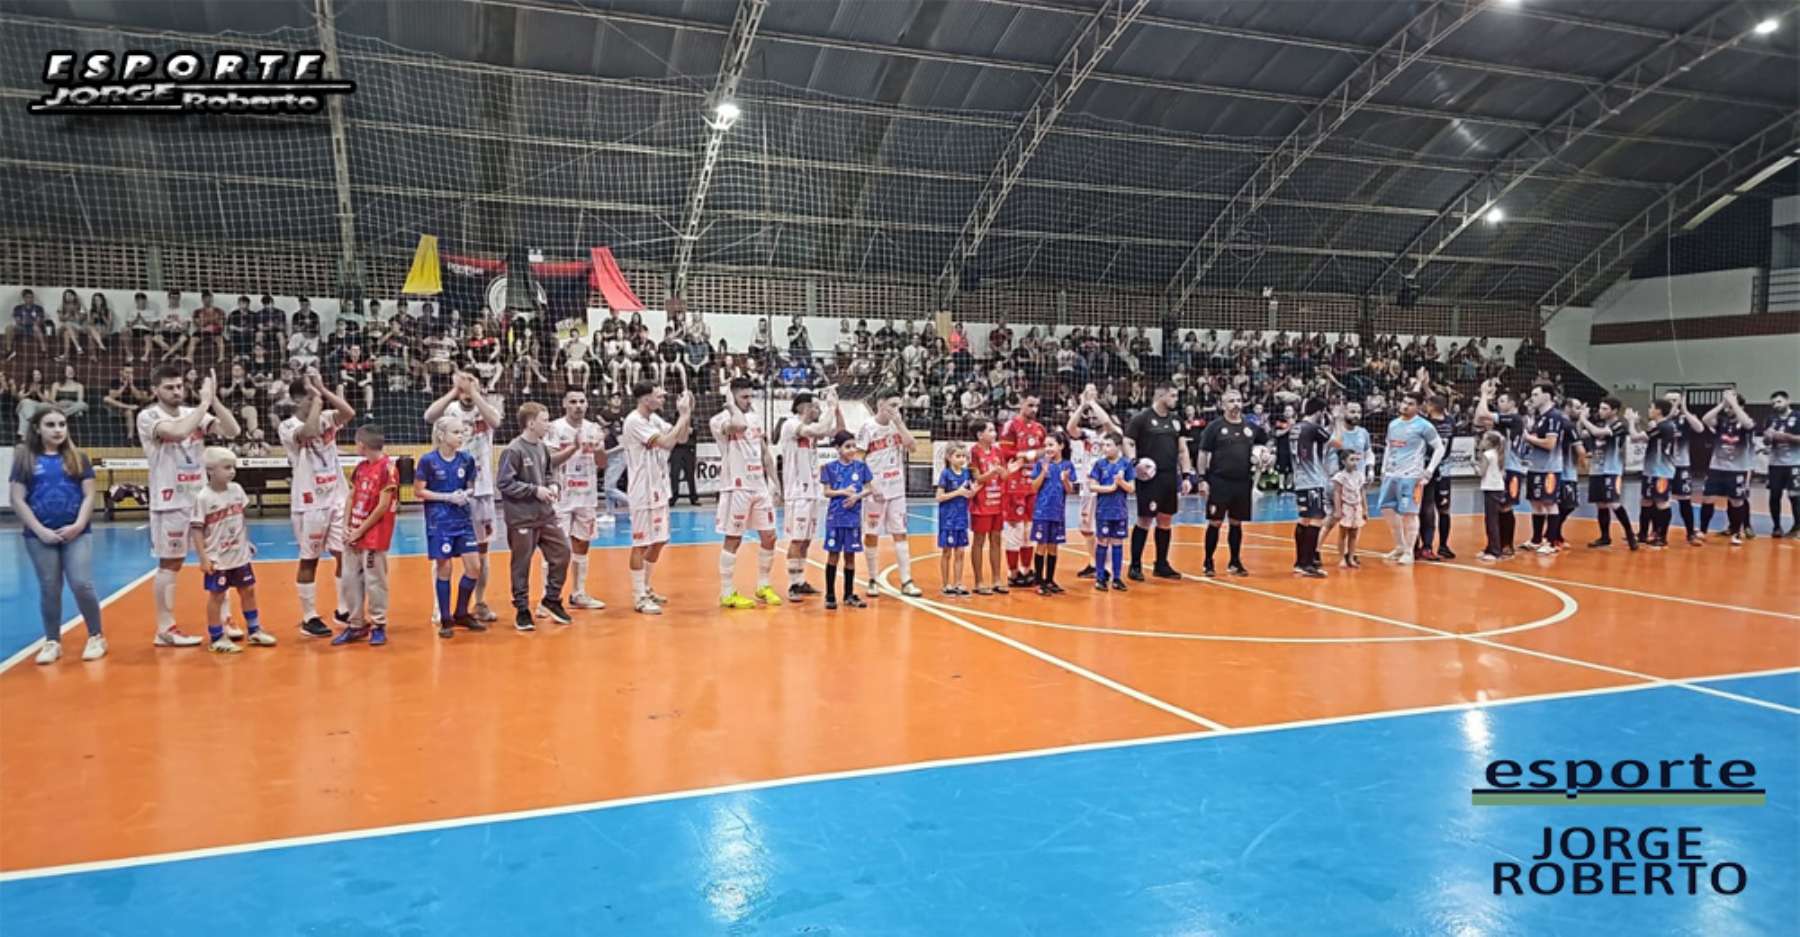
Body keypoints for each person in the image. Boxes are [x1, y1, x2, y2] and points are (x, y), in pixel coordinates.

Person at [139, 365, 240, 647]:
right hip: (169, 501)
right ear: (155, 390)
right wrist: (204, 404)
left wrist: (215, 400)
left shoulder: (193, 413)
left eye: (179, 386)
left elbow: (232, 431)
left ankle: (225, 618)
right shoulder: (148, 416)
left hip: (200, 499)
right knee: (171, 563)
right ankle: (165, 628)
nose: (176, 391)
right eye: (169, 387)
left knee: (219, 557)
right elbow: (179, 433)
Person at [11, 406, 105, 663]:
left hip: (77, 532)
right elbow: (17, 499)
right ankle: (52, 641)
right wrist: (40, 530)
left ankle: (96, 636)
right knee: (50, 588)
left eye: (62, 424)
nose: (57, 430)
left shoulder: (78, 457)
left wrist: (77, 525)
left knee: (81, 584)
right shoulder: (25, 459)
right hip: (39, 536)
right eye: (51, 425)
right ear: (37, 429)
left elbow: (88, 495)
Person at [278, 372, 356, 637]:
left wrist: (322, 388)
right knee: (309, 559)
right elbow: (309, 431)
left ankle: (343, 609)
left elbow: (348, 412)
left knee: (344, 554)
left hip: (336, 496)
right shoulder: (287, 426)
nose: (318, 400)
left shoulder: (327, 416)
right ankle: (309, 617)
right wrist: (317, 402)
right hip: (309, 501)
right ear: (298, 399)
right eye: (311, 396)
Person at [424, 372, 504, 623]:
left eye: (474, 382)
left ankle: (478, 602)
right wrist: (454, 392)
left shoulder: (487, 407)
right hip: (449, 491)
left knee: (481, 552)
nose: (469, 388)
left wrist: (476, 393)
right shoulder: (450, 408)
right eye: (465, 383)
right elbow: (428, 416)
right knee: (443, 553)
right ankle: (440, 606)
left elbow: (496, 421)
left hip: (481, 490)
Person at [497, 401, 574, 630]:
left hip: (545, 515)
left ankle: (552, 599)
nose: (548, 424)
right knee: (521, 564)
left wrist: (553, 486)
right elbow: (504, 483)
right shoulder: (513, 450)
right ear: (531, 423)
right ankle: (522, 609)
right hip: (522, 518)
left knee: (562, 552)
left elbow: (549, 473)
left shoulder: (542, 448)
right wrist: (534, 490)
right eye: (544, 420)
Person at [710, 378, 785, 609]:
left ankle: (763, 585)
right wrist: (731, 406)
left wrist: (776, 483)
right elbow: (739, 427)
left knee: (770, 536)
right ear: (732, 396)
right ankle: (727, 592)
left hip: (758, 486)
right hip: (736, 486)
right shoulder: (719, 420)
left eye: (751, 396)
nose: (749, 401)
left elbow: (764, 453)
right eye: (744, 397)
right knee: (734, 538)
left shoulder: (754, 418)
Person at [189, 447, 272, 653]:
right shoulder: (203, 498)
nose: (232, 471)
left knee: (248, 590)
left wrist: (246, 541)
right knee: (217, 595)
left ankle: (254, 630)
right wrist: (203, 557)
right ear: (210, 470)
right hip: (218, 557)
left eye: (233, 467)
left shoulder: (236, 490)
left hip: (239, 554)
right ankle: (217, 637)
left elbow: (241, 518)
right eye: (226, 467)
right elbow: (197, 529)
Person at [623, 383, 694, 615]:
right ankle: (638, 596)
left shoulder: (654, 419)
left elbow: (680, 438)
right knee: (641, 543)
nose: (663, 396)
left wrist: (687, 413)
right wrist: (682, 416)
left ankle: (646, 586)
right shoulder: (634, 421)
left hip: (659, 490)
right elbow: (665, 442)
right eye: (658, 394)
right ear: (645, 399)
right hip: (642, 491)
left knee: (660, 540)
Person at [415, 415, 485, 637]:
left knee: (474, 567)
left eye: (462, 432)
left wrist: (466, 494)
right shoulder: (428, 460)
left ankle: (461, 612)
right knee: (445, 569)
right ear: (441, 435)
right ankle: (446, 619)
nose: (461, 436)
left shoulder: (466, 459)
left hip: (463, 519)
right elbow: (419, 491)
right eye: (456, 432)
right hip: (440, 521)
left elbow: (471, 486)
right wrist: (447, 497)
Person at [333, 425, 399, 646]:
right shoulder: (361, 467)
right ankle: (356, 624)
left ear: (361, 445)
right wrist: (345, 526)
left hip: (373, 535)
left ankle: (379, 624)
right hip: (353, 533)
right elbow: (351, 497)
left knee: (374, 581)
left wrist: (360, 530)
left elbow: (382, 506)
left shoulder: (388, 468)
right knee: (349, 580)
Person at [1124, 383, 1194, 580]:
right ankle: (1135, 565)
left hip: (1169, 477)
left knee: (1165, 519)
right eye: (1173, 396)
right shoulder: (1142, 419)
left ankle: (1161, 564)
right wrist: (1134, 462)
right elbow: (1128, 441)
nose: (1176, 399)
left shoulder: (1176, 421)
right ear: (1161, 395)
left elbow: (1182, 450)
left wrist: (1186, 475)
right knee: (1145, 519)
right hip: (1149, 477)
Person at [777, 389, 843, 600]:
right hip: (797, 492)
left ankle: (800, 580)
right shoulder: (791, 424)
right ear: (803, 407)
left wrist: (837, 407)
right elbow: (821, 428)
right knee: (797, 539)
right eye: (815, 406)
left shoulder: (813, 429)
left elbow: (840, 432)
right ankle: (792, 585)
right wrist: (831, 408)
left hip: (812, 492)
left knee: (806, 540)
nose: (819, 409)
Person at [546, 388, 608, 610]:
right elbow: (549, 461)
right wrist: (574, 446)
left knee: (582, 543)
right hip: (560, 496)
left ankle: (579, 593)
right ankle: (549, 597)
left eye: (582, 401)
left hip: (586, 495)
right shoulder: (554, 428)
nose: (578, 405)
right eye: (573, 401)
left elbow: (602, 464)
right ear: (564, 403)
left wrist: (599, 449)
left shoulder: (594, 429)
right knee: (556, 548)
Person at [855, 393, 922, 597]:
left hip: (897, 489)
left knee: (900, 533)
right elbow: (859, 458)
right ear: (880, 404)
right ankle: (872, 579)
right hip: (876, 490)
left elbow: (913, 446)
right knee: (872, 534)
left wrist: (900, 424)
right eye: (892, 404)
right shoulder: (868, 426)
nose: (895, 408)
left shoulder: (897, 425)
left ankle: (906, 580)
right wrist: (869, 483)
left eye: (898, 405)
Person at [1196, 389, 1266, 577]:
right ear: (1223, 404)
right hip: (1220, 481)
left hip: (1243, 482)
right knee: (1216, 522)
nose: (1236, 404)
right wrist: (1202, 479)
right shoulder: (1215, 427)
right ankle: (1208, 561)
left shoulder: (1250, 427)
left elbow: (1265, 444)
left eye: (1238, 400)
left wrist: (1265, 455)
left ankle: (1235, 562)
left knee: (1236, 523)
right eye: (1231, 401)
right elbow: (1203, 453)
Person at [1374, 392, 1445, 567]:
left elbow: (1439, 448)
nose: (1405, 406)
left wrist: (1428, 471)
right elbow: (1389, 447)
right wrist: (1383, 469)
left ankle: (1408, 551)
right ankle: (1399, 545)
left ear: (1418, 407)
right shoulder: (1393, 424)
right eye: (1404, 402)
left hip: (1411, 475)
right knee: (1387, 509)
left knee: (1410, 513)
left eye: (1410, 403)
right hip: (1392, 474)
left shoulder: (1424, 426)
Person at [1065, 385, 1119, 579]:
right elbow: (1070, 428)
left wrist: (1093, 403)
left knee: (1104, 527)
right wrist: (1082, 406)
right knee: (1086, 527)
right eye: (1092, 414)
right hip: (1088, 487)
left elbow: (1108, 424)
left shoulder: (1113, 434)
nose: (1093, 417)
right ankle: (1094, 562)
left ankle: (1107, 567)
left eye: (1096, 413)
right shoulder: (1088, 434)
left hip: (1105, 488)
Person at [1577, 397, 1638, 550]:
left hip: (1612, 469)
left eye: (1605, 409)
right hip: (1597, 469)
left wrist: (1584, 418)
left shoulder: (1619, 425)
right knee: (1601, 504)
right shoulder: (1599, 423)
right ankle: (1605, 537)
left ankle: (1630, 533)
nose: (1600, 411)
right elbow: (1580, 433)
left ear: (1614, 411)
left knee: (1614, 502)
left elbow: (1598, 433)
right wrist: (1580, 419)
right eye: (1600, 408)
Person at [999, 394, 1047, 585]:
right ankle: (1012, 573)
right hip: (1014, 484)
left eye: (1037, 406)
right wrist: (1025, 455)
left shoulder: (1040, 429)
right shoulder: (1011, 426)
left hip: (1032, 483)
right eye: (1030, 405)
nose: (1034, 409)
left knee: (1029, 529)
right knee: (1014, 528)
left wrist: (1037, 454)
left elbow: (1044, 450)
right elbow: (1004, 452)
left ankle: (1026, 570)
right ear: (1021, 405)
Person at [820, 438, 872, 610]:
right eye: (847, 446)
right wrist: (843, 492)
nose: (851, 450)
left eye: (853, 446)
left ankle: (848, 594)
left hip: (853, 518)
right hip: (835, 517)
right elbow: (826, 492)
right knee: (833, 554)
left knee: (850, 555)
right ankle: (830, 595)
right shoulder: (829, 468)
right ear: (838, 448)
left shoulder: (860, 466)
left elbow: (869, 488)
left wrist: (857, 496)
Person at [1473, 381, 1524, 556]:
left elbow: (1483, 413)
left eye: (1502, 401)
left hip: (1513, 469)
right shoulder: (1501, 423)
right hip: (1501, 469)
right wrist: (1484, 397)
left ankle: (1506, 545)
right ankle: (1496, 545)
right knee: (1497, 509)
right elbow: (1479, 418)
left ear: (1512, 404)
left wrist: (1484, 394)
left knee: (1506, 507)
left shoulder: (1515, 419)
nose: (1499, 403)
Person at [1290, 398, 1338, 578]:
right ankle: (1307, 563)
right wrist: (1336, 421)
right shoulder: (1313, 427)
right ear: (1320, 412)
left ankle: (1299, 562)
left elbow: (1321, 439)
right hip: (1313, 480)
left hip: (1300, 479)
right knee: (1317, 519)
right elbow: (1337, 443)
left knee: (1304, 519)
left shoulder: (1296, 427)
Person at [1520, 382, 1570, 554]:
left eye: (1535, 395)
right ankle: (1536, 539)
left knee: (1550, 503)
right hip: (1535, 466)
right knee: (1535, 502)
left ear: (1547, 396)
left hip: (1549, 468)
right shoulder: (1540, 418)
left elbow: (1550, 443)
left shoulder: (1553, 416)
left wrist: (1528, 438)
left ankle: (1551, 541)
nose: (1531, 398)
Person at [1701, 390, 1757, 545]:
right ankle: (1702, 530)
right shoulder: (1721, 422)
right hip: (1717, 467)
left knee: (1736, 501)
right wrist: (1722, 404)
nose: (1728, 410)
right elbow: (1705, 419)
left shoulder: (1746, 422)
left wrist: (1733, 402)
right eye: (1728, 407)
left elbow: (1748, 424)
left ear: (1741, 407)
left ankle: (1736, 533)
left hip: (1737, 468)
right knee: (1708, 498)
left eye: (1731, 407)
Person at [967, 418, 1012, 596]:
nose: (994, 433)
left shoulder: (998, 451)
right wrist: (992, 472)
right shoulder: (973, 452)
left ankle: (996, 579)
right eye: (991, 430)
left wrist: (1004, 473)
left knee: (996, 540)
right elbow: (977, 478)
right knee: (979, 541)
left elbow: (1005, 476)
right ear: (980, 435)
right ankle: (978, 581)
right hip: (981, 503)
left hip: (997, 501)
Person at [1028, 435, 1076, 595]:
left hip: (1058, 512)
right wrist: (1043, 472)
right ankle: (1038, 581)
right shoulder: (1041, 464)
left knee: (1053, 547)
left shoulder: (1067, 465)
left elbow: (1070, 490)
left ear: (1061, 446)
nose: (1048, 448)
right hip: (1042, 512)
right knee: (1041, 545)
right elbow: (1034, 487)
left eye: (1051, 444)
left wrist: (1065, 480)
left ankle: (1049, 580)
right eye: (1045, 445)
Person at [1086, 432, 1135, 591]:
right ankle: (1100, 577)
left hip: (1119, 511)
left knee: (1117, 543)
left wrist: (1121, 482)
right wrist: (1110, 488)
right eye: (1103, 446)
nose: (1105, 449)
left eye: (1108, 445)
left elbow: (1131, 488)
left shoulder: (1126, 464)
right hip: (1103, 511)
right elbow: (1092, 486)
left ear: (1118, 447)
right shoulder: (1099, 464)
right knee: (1102, 542)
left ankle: (1117, 578)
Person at [1414, 395, 1456, 561]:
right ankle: (1436, 545)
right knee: (1438, 509)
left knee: (1429, 509)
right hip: (1441, 470)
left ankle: (1427, 546)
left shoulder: (1425, 423)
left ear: (1431, 407)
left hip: (1431, 469)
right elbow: (1440, 404)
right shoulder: (1450, 421)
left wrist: (1421, 386)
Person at [1637, 400, 1678, 548]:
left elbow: (1637, 437)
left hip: (1661, 471)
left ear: (1659, 411)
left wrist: (1630, 422)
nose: (1649, 410)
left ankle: (1662, 536)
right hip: (1651, 470)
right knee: (1646, 500)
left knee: (1662, 502)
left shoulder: (1663, 426)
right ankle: (1642, 534)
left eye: (1651, 407)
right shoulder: (1665, 425)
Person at [936, 443, 975, 596]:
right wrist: (958, 492)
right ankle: (946, 584)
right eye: (958, 456)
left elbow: (968, 493)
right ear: (949, 457)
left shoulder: (967, 473)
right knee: (947, 552)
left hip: (962, 518)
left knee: (960, 552)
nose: (961, 459)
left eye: (964, 456)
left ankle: (958, 583)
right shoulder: (945, 474)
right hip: (948, 519)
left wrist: (972, 492)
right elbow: (939, 497)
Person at [1760, 390, 1799, 539]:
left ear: (1788, 401)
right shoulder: (1771, 419)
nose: (1776, 405)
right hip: (1775, 464)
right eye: (1773, 403)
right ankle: (1776, 527)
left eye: (1779, 402)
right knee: (1774, 495)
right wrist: (1767, 438)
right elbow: (1766, 441)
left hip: (1794, 463)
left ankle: (1797, 526)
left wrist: (1785, 436)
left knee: (1795, 496)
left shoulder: (1797, 417)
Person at [1553, 398, 1585, 551]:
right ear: (1567, 407)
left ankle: (1555, 534)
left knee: (1563, 505)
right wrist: (1583, 461)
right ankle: (1553, 535)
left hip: (1558, 470)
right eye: (1577, 408)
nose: (1579, 411)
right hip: (1566, 472)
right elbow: (1580, 449)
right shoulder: (1567, 424)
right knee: (1567, 505)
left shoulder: (1558, 422)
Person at [1330, 450, 1368, 568]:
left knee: (1354, 533)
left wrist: (1365, 508)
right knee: (1343, 533)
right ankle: (1342, 557)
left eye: (1357, 460)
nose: (1355, 462)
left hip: (1357, 506)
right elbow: (1337, 493)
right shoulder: (1340, 477)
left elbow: (1362, 492)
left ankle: (1351, 557)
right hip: (1346, 506)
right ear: (1343, 461)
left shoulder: (1360, 475)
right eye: (1352, 460)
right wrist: (1337, 510)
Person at [1475, 429, 1508, 562]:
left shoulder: (1488, 454)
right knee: (1492, 519)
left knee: (1491, 521)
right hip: (1497, 487)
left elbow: (1481, 472)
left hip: (1491, 488)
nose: (1481, 441)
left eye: (1484, 439)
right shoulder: (1498, 453)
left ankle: (1495, 551)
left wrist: (1474, 466)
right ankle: (1491, 547)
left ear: (1489, 442)